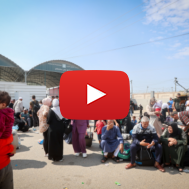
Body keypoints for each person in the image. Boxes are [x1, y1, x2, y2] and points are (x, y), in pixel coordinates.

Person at [0, 91, 16, 189]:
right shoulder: (9, 112)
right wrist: (10, 147)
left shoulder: (1, 114)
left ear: (3, 104)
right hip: (6, 162)